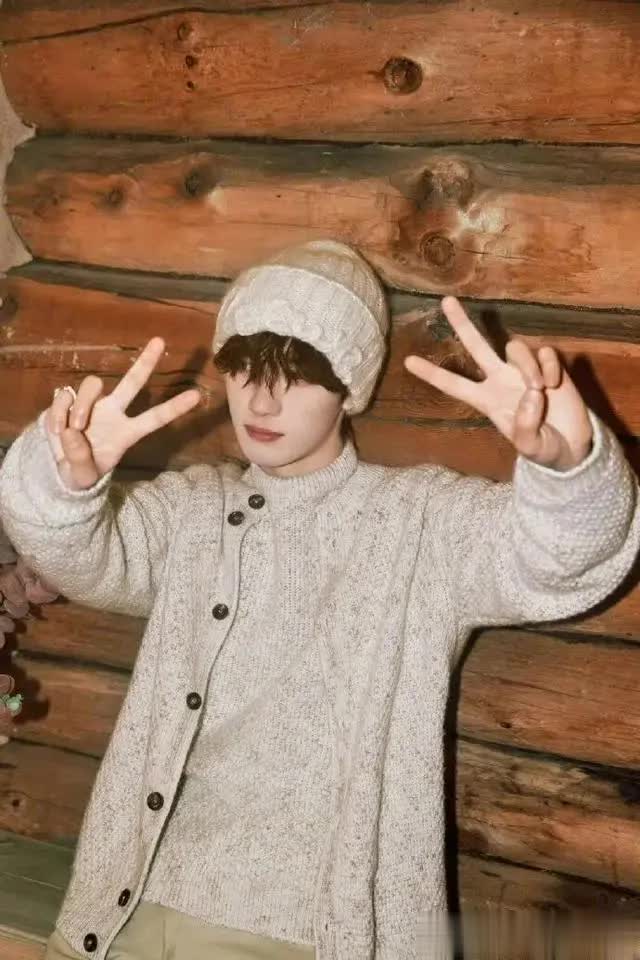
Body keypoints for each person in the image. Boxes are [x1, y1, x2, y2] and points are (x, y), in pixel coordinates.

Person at [0, 240, 638, 960]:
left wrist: (568, 467)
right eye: (245, 367)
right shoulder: (191, 510)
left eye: (298, 375)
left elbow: (564, 560)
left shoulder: (415, 522)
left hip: (302, 933)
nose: (262, 400)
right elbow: (79, 555)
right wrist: (65, 483)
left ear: (348, 388)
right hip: (119, 909)